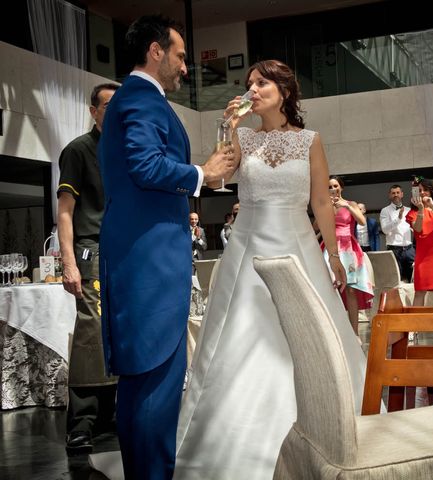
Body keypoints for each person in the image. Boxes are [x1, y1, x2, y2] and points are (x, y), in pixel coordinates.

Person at [174, 59, 366, 479]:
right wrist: (226, 126)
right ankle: (231, 440)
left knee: (309, 335)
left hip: (299, 247)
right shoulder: (242, 136)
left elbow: (319, 202)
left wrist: (333, 254)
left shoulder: (310, 141)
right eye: (249, 84)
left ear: (285, 90)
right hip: (248, 249)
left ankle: (325, 432)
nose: (253, 89)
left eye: (261, 83)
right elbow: (214, 178)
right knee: (242, 336)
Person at [97, 15, 234, 479]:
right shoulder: (141, 99)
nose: (185, 68)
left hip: (141, 255)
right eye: (179, 56)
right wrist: (202, 173)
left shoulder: (134, 99)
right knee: (156, 379)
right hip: (149, 261)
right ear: (155, 51)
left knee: (143, 382)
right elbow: (147, 166)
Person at [57, 83, 119, 455]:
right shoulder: (78, 150)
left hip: (125, 252)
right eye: (108, 105)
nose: (115, 111)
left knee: (119, 328)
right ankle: (81, 421)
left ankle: (111, 413)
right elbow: (65, 211)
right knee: (91, 329)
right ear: (93, 111)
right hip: (90, 248)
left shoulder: (128, 151)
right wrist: (68, 262)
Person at [325, 176, 374, 334]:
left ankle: (355, 333)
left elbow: (361, 221)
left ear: (341, 187)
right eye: (330, 187)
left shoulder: (351, 203)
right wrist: (328, 209)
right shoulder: (325, 205)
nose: (333, 189)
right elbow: (317, 226)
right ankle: (335, 332)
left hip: (348, 248)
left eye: (335, 186)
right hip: (332, 248)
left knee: (351, 289)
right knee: (331, 289)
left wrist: (346, 205)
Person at [379, 184, 415, 281]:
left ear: (402, 194)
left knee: (414, 278)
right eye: (393, 193)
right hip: (394, 250)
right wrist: (398, 218)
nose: (396, 195)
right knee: (396, 280)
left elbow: (415, 228)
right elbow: (385, 230)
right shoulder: (385, 211)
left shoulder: (409, 210)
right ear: (389, 195)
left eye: (398, 193)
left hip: (409, 250)